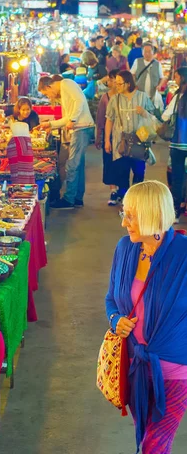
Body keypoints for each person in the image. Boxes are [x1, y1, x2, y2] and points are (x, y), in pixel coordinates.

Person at [105, 180, 187, 454]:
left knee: (155, 444)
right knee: (146, 439)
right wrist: (116, 320)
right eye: (124, 214)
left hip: (176, 372)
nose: (123, 223)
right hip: (136, 368)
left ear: (152, 214)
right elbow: (111, 301)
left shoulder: (183, 255)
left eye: (131, 216)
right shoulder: (125, 248)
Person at [37, 76, 95, 209]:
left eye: (47, 94)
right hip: (81, 129)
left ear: (49, 87)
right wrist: (50, 124)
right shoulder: (64, 92)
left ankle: (69, 199)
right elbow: (66, 118)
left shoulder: (66, 83)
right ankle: (77, 198)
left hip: (81, 129)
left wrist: (73, 120)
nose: (49, 97)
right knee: (78, 165)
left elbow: (79, 101)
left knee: (72, 165)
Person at [105, 70, 156, 201]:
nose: (116, 86)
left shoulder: (142, 97)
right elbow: (109, 120)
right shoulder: (114, 99)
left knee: (139, 171)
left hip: (139, 141)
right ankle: (125, 200)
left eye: (119, 83)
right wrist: (107, 140)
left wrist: (144, 112)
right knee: (122, 173)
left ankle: (136, 198)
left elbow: (153, 117)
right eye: (115, 83)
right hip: (120, 142)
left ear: (128, 84)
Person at [162, 67, 187, 222]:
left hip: (178, 143)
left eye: (176, 77)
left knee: (177, 178)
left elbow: (166, 116)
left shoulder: (178, 97)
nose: (175, 80)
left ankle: (177, 211)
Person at [96, 70, 119, 205]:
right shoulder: (105, 97)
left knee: (121, 163)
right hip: (109, 135)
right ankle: (113, 190)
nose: (109, 83)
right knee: (109, 163)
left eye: (111, 80)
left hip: (122, 136)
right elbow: (100, 119)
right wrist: (99, 136)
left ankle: (122, 188)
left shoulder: (125, 97)